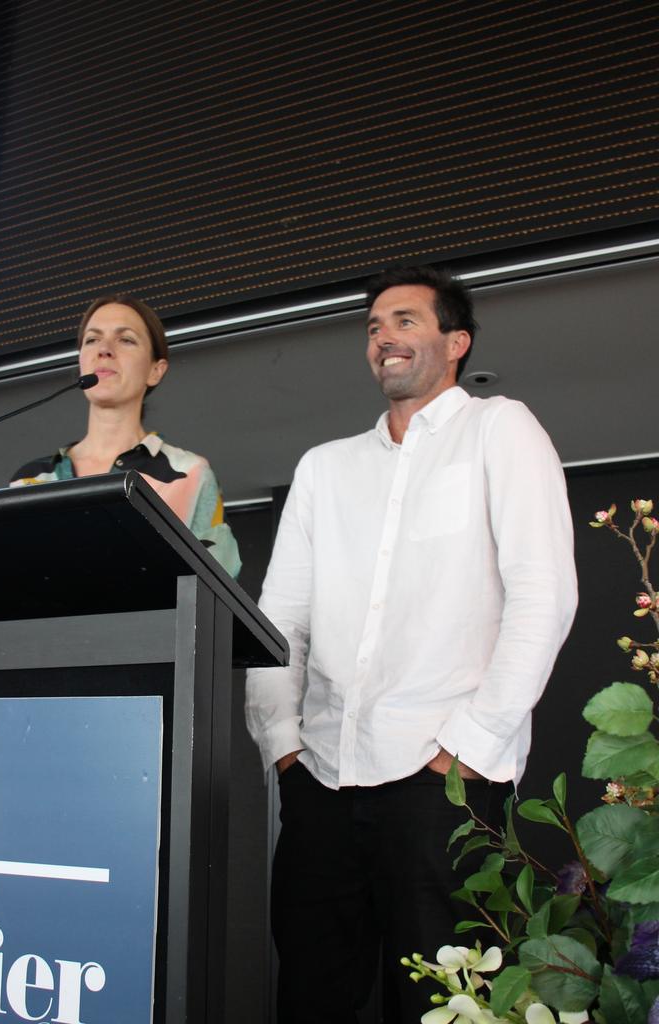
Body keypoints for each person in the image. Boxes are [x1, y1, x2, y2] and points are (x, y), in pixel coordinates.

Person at [245, 265, 578, 1022]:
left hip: (444, 782)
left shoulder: (501, 429)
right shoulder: (325, 468)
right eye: (373, 326)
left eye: (404, 321)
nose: (383, 338)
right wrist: (283, 745)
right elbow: (278, 619)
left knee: (442, 1006)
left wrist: (467, 746)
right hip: (322, 779)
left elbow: (544, 595)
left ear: (455, 342)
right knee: (309, 997)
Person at [10, 293, 241, 578]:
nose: (104, 349)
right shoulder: (30, 480)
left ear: (156, 371)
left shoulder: (191, 474)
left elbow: (216, 596)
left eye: (126, 339)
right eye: (92, 339)